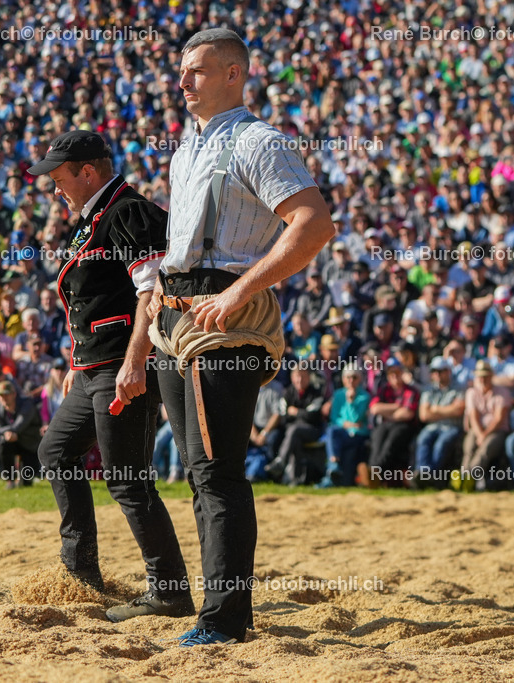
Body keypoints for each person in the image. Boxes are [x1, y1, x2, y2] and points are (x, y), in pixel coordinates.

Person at [147, 29, 334, 646]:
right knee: (201, 472)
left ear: (234, 75)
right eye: (182, 71)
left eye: (197, 71)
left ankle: (225, 618)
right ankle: (217, 609)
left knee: (217, 471)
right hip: (179, 316)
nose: (182, 83)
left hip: (224, 320)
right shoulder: (185, 149)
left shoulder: (259, 141)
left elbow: (312, 223)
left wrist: (238, 292)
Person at [28, 128, 193, 624]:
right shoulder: (99, 214)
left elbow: (152, 293)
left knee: (128, 480)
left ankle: (169, 592)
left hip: (123, 366)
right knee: (56, 450)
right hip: (96, 367)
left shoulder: (126, 212)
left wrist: (135, 361)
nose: (55, 188)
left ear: (88, 171)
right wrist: (76, 364)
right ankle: (78, 574)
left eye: (59, 178)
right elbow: (100, 301)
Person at [363, 358, 420, 486]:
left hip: (405, 426)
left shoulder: (411, 391)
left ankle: (375, 472)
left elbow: (407, 414)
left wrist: (387, 413)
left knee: (391, 442)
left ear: (402, 373)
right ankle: (372, 472)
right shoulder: (384, 389)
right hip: (387, 424)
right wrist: (397, 406)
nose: (394, 376)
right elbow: (374, 408)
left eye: (397, 373)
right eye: (391, 373)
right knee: (377, 438)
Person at [458, 360, 514, 492]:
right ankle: (464, 477)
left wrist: (484, 435)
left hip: (497, 431)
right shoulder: (472, 392)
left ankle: (469, 477)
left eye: (485, 375)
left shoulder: (502, 392)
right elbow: (473, 417)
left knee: (485, 450)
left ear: (491, 376)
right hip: (478, 430)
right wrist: (480, 434)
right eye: (480, 376)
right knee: (469, 447)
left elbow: (499, 419)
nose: (482, 379)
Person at [0, 380, 41, 484]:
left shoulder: (27, 405)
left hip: (30, 442)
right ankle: (9, 479)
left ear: (14, 394)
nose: (4, 398)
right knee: (3, 443)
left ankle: (24, 476)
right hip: (11, 441)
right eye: (1, 395)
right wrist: (6, 434)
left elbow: (17, 427)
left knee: (28, 481)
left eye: (7, 394)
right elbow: (2, 429)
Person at [414, 356, 465, 485]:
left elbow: (458, 411)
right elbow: (424, 416)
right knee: (423, 439)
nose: (436, 374)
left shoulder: (459, 388)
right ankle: (423, 473)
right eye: (434, 371)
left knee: (441, 444)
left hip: (452, 427)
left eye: (440, 371)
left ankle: (433, 476)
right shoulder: (429, 389)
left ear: (448, 371)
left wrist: (435, 409)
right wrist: (448, 410)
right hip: (433, 427)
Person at [317, 367, 370, 488]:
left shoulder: (364, 396)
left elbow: (356, 418)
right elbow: (334, 418)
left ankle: (331, 472)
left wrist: (351, 402)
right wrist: (346, 424)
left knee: (333, 434)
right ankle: (333, 467)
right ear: (343, 379)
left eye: (354, 377)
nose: (351, 380)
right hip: (343, 432)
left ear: (359, 379)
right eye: (348, 377)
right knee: (331, 431)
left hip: (358, 435)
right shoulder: (338, 394)